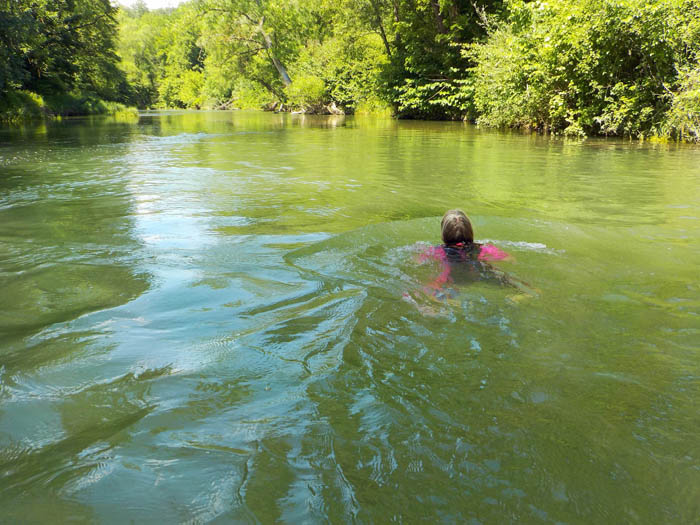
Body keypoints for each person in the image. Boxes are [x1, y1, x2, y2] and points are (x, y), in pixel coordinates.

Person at [404, 210, 536, 312]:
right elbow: (510, 260)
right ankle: (523, 295)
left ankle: (448, 302)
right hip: (478, 274)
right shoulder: (484, 248)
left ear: (443, 234)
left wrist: (418, 250)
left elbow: (415, 262)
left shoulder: (435, 251)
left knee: (421, 290)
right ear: (470, 232)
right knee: (522, 286)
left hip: (451, 278)